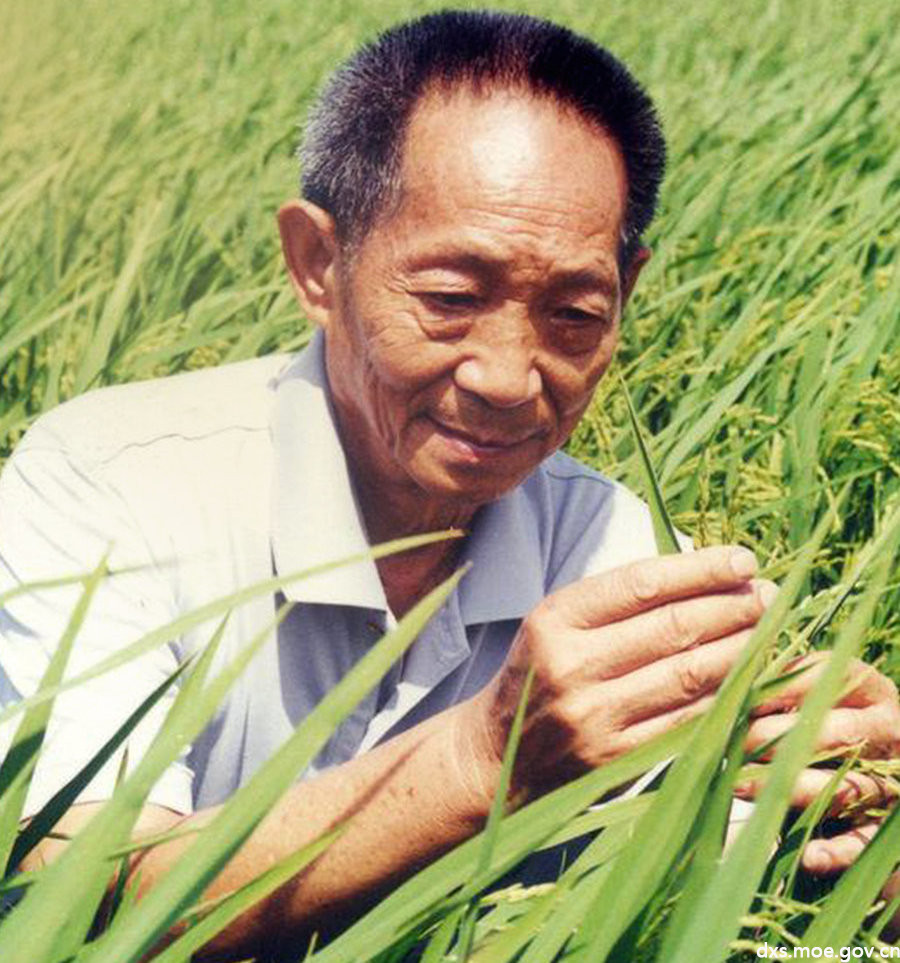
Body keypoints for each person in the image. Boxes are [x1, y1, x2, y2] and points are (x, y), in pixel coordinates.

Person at [1, 9, 898, 961]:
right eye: (450, 299)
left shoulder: (606, 546)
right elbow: (72, 895)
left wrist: (848, 825)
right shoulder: (105, 483)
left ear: (627, 292)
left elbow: (721, 886)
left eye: (574, 312)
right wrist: (485, 759)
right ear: (318, 262)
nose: (508, 376)